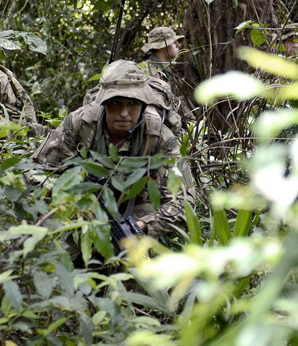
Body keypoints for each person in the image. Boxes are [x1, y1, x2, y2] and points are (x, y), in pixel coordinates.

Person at [33, 60, 190, 239]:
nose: (124, 113)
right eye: (115, 103)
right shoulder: (80, 124)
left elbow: (183, 203)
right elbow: (35, 174)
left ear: (144, 104)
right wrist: (72, 202)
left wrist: (141, 227)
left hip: (135, 215)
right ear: (104, 103)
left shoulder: (159, 138)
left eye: (132, 103)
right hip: (78, 213)